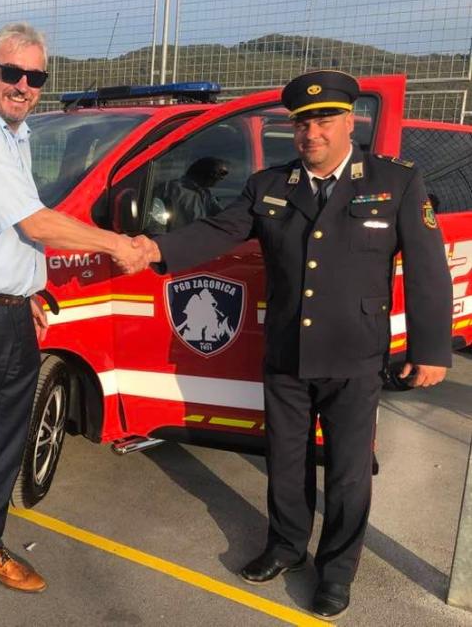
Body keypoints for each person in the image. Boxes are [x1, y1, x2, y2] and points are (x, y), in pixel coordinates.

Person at [130, 70, 452, 620]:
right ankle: (285, 546)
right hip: (286, 350)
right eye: (302, 123)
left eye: (324, 120)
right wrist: (152, 248)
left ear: (350, 121)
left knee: (348, 472)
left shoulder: (395, 181)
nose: (311, 133)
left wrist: (430, 350)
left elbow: (428, 269)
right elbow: (217, 230)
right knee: (285, 459)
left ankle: (337, 571)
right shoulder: (270, 185)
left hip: (354, 354)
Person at [0, 23, 145, 624]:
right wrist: (118, 244)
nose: (23, 85)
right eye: (11, 72)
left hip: (10, 311)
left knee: (2, 440)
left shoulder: (16, 135)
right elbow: (34, 222)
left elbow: (9, 232)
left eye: (35, 76)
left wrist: (27, 289)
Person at [160, 157, 227, 229]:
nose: (221, 179)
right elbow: (157, 220)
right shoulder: (170, 189)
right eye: (219, 174)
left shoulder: (206, 194)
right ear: (209, 173)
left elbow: (222, 216)